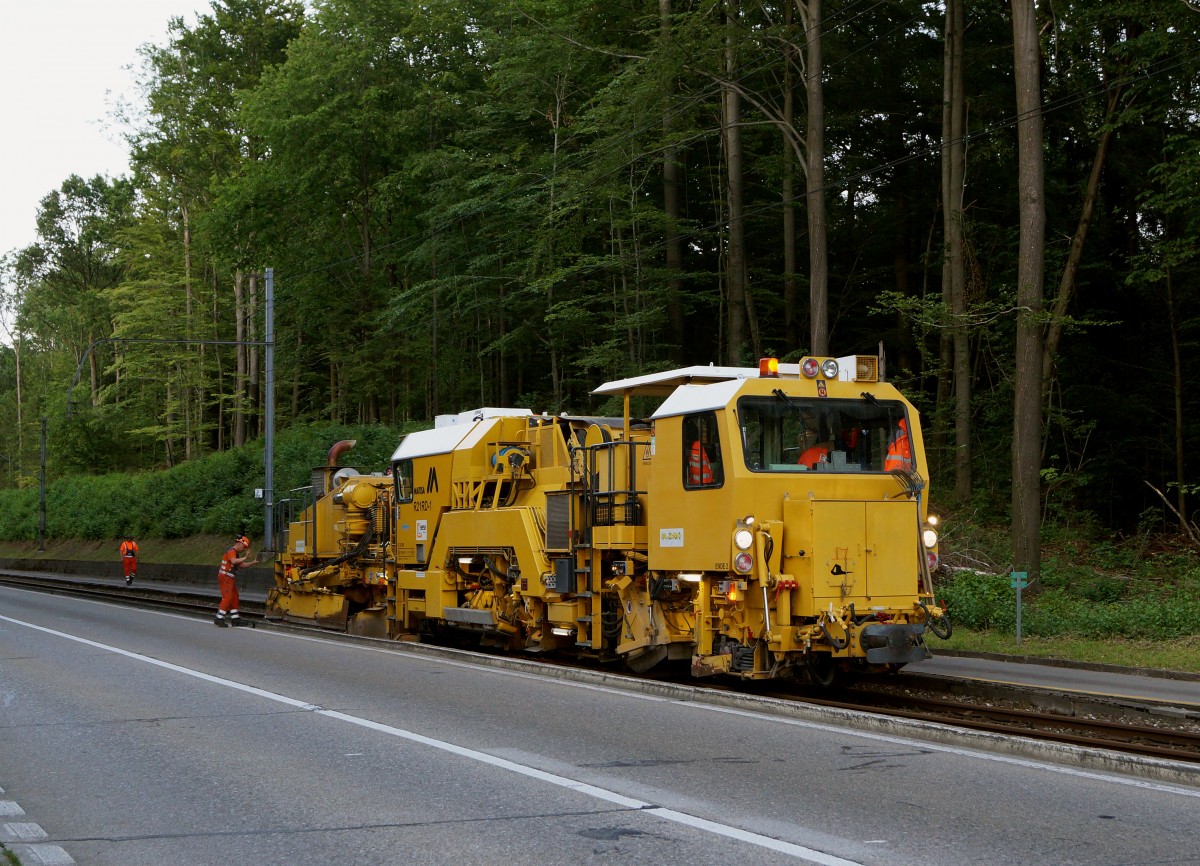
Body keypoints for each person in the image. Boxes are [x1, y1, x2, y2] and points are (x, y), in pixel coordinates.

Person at [214, 535, 259, 627]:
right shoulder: (231, 551)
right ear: (239, 543)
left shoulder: (235, 553)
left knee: (234, 597)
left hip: (229, 578)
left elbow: (241, 565)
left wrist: (252, 563)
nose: (244, 549)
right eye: (244, 546)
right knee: (228, 597)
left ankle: (235, 619)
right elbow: (234, 561)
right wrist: (246, 557)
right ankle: (219, 618)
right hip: (226, 577)